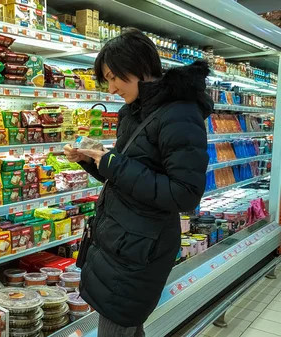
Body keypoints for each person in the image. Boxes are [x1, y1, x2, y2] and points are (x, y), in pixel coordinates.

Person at [64, 28, 212, 337]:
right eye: (107, 80)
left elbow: (185, 194)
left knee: (118, 325)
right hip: (119, 242)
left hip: (141, 249)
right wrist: (91, 162)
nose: (111, 89)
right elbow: (124, 175)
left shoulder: (180, 115)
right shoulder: (131, 112)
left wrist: (112, 164)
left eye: (114, 77)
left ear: (139, 67)